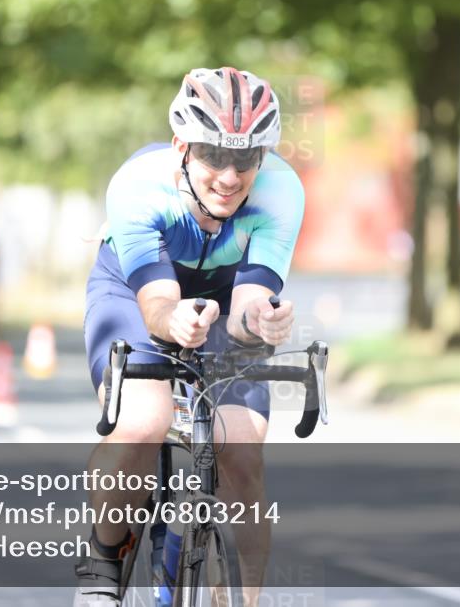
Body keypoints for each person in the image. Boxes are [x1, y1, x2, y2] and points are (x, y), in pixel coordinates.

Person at [76, 67, 305, 607]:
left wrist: (260, 323)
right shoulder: (138, 186)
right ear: (181, 145)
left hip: (225, 293)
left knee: (243, 450)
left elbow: (248, 306)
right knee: (143, 422)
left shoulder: (281, 193)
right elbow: (156, 303)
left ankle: (244, 600)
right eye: (212, 155)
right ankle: (104, 559)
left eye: (246, 158)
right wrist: (173, 321)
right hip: (137, 291)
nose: (229, 176)